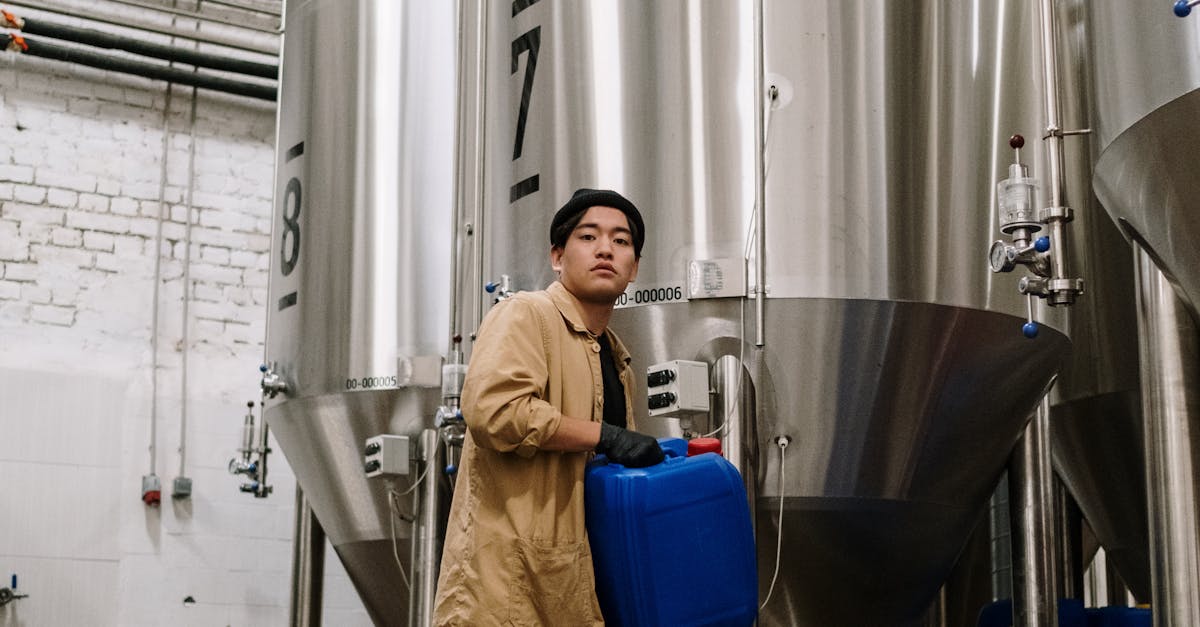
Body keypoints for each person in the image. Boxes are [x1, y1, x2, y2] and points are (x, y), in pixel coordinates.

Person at [433, 188, 665, 626]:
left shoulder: (615, 357)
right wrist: (604, 435)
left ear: (633, 268)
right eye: (588, 236)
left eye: (621, 241)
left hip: (571, 592)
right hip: (504, 596)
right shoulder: (526, 313)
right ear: (557, 257)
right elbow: (494, 412)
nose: (604, 249)